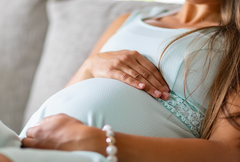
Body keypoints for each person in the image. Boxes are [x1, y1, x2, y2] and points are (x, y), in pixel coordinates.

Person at [0, 0, 240, 161]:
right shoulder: (129, 19)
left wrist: (97, 142)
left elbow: (229, 152)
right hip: (32, 139)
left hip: (94, 154)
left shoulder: (235, 41)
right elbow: (69, 96)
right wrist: (89, 65)